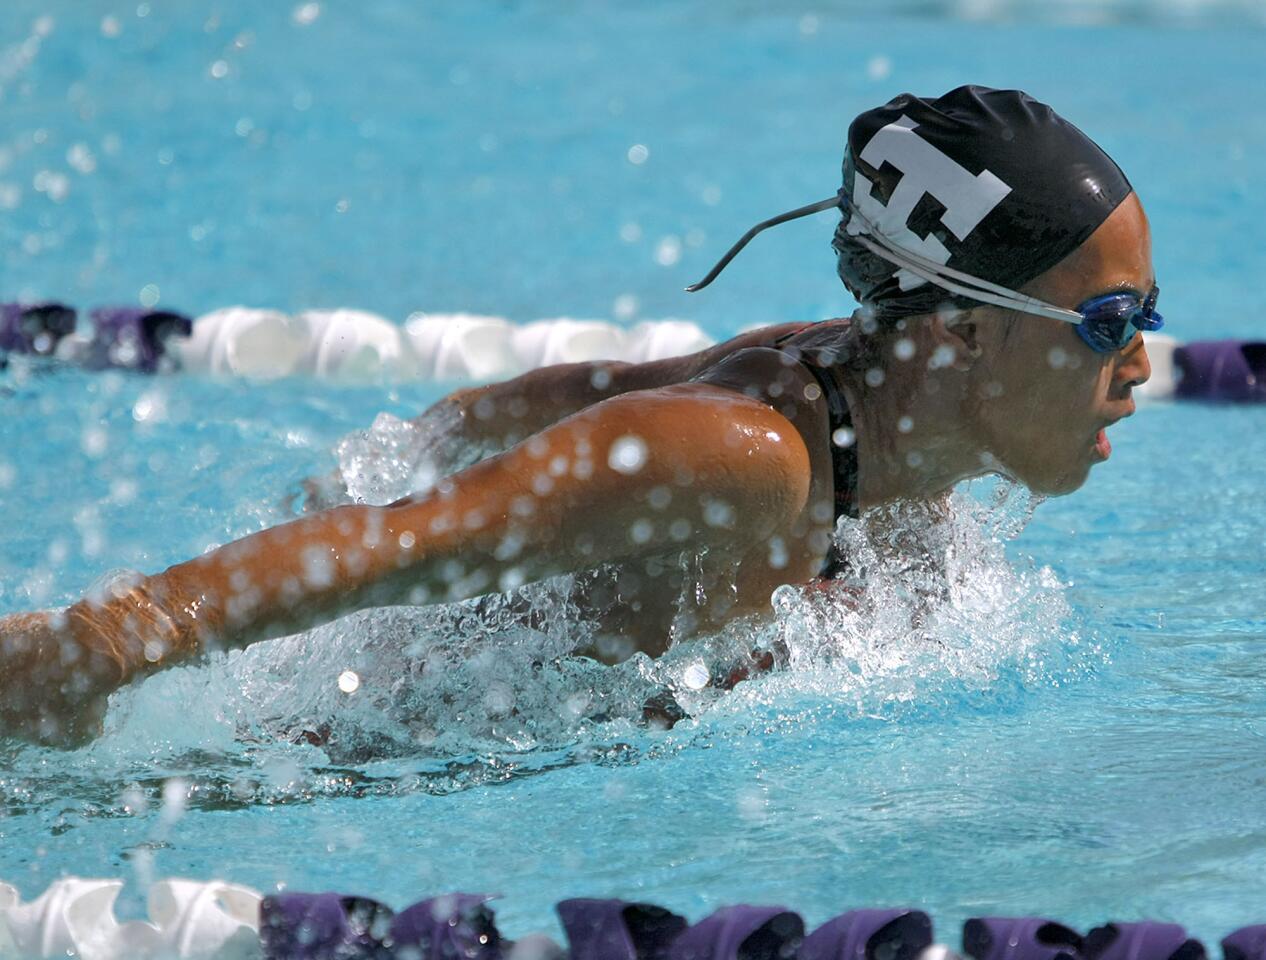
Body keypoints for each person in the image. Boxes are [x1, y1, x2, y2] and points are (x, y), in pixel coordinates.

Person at [0, 86, 1158, 746]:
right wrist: (97, 650)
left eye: (1148, 318)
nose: (1143, 366)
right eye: (1106, 323)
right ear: (956, 330)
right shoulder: (746, 458)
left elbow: (575, 392)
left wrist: (448, 433)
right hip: (350, 737)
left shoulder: (894, 444)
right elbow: (408, 545)